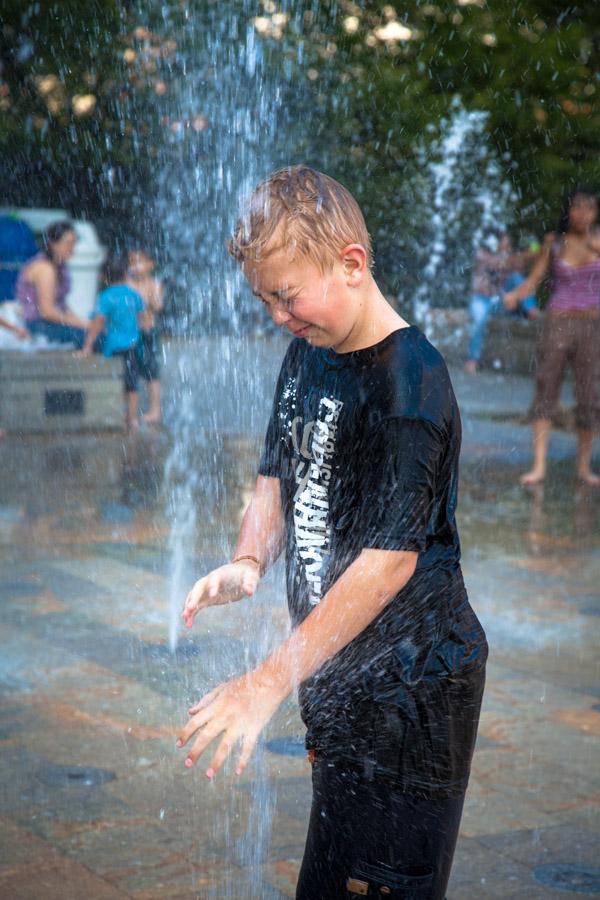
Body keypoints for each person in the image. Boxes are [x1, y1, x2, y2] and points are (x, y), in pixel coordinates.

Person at [176, 166, 488, 900]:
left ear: (351, 264)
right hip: (344, 674)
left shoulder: (412, 382)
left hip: (415, 691)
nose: (277, 316)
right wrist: (249, 560)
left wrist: (265, 683)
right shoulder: (309, 349)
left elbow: (387, 565)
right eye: (264, 300)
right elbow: (276, 475)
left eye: (286, 295)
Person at [504, 187, 600, 486]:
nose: (582, 213)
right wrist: (515, 295)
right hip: (557, 322)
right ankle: (539, 465)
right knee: (546, 387)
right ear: (568, 211)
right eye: (577, 207)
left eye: (588, 208)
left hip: (592, 324)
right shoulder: (554, 243)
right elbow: (534, 279)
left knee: (590, 395)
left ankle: (584, 467)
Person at [78, 256, 144, 430]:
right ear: (125, 274)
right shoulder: (133, 294)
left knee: (118, 381)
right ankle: (133, 418)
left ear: (103, 278)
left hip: (113, 346)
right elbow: (142, 317)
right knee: (132, 383)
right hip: (133, 344)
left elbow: (98, 322)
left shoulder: (105, 297)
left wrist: (87, 346)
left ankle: (122, 415)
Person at [465, 231, 539, 374]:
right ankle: (472, 359)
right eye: (505, 243)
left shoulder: (509, 256)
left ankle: (531, 309)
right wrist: (525, 255)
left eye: (508, 244)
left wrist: (535, 248)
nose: (507, 247)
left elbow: (533, 253)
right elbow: (502, 262)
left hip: (501, 300)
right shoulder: (481, 254)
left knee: (517, 278)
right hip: (482, 299)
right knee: (479, 319)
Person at [16, 221, 89, 348]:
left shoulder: (59, 267)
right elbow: (47, 312)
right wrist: (81, 323)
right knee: (92, 337)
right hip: (37, 325)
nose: (72, 248)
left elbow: (61, 305)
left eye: (74, 243)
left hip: (50, 323)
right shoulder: (45, 269)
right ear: (52, 244)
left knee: (94, 333)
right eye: (68, 243)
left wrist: (84, 322)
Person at [127, 248, 164, 424]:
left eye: (140, 262)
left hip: (148, 332)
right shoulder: (127, 284)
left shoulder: (154, 284)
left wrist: (150, 300)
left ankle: (155, 409)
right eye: (132, 262)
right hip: (130, 334)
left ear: (151, 265)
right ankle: (130, 410)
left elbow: (157, 306)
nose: (135, 266)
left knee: (152, 371)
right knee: (130, 370)